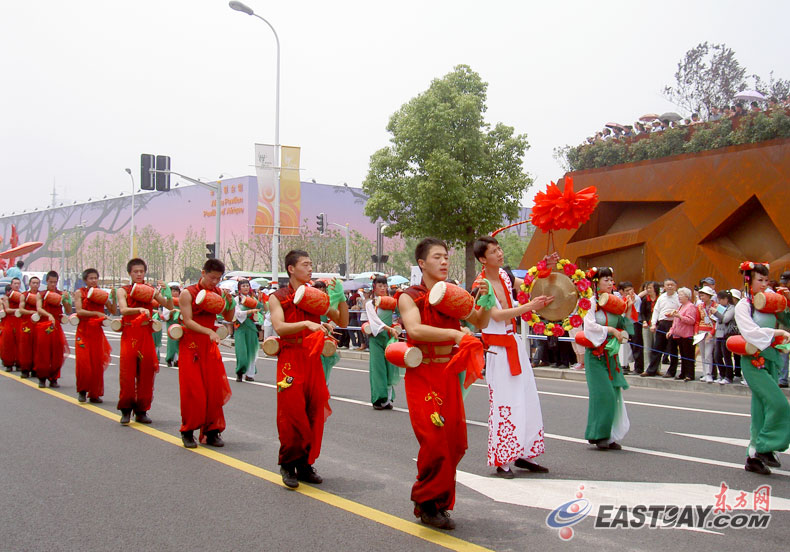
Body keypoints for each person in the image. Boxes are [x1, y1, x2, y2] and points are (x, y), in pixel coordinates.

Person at [397, 238, 491, 530]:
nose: (444, 261)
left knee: (455, 443)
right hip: (423, 372)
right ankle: (425, 501)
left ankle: (438, 500)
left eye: (446, 257)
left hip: (449, 374)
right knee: (435, 441)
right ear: (422, 263)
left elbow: (479, 321)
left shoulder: (452, 294)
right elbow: (414, 329)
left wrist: (486, 300)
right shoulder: (408, 296)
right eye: (437, 257)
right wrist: (453, 336)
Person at [268, 250, 349, 488]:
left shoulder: (316, 295)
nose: (310, 269)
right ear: (291, 269)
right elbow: (280, 327)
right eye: (305, 264)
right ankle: (287, 463)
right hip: (291, 357)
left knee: (314, 410)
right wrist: (305, 323)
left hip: (313, 358)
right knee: (291, 412)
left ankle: (304, 463)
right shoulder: (278, 297)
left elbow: (342, 322)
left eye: (311, 264)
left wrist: (340, 298)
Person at [474, 236, 552, 478]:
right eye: (494, 251)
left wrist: (544, 266)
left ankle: (523, 452)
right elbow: (496, 315)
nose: (500, 253)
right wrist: (531, 307)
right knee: (504, 404)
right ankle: (502, 460)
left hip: (514, 344)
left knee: (526, 398)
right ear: (482, 259)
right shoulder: (482, 284)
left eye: (500, 249)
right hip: (498, 349)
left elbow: (527, 283)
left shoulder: (506, 276)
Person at [733, 262, 790, 475]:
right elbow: (750, 332)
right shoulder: (743, 305)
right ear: (748, 281)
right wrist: (776, 334)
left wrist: (787, 301)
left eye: (767, 280)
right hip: (753, 361)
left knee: (760, 410)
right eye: (760, 280)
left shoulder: (769, 302)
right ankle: (766, 447)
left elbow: (787, 320)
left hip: (772, 359)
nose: (765, 284)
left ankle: (754, 455)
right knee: (779, 404)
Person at [177, 259, 234, 448]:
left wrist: (230, 302)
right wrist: (209, 331)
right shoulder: (188, 293)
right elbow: (188, 321)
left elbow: (228, 317)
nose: (214, 282)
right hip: (191, 344)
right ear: (203, 273)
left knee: (213, 389)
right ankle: (188, 430)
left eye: (218, 279)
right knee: (193, 390)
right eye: (212, 278)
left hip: (209, 345)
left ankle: (212, 431)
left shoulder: (217, 293)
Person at [578, 267, 632, 450]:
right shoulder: (590, 303)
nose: (610, 283)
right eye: (605, 280)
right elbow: (589, 326)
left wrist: (628, 310)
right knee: (603, 395)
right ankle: (598, 434)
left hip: (611, 354)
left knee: (614, 395)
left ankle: (608, 435)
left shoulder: (615, 302)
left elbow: (625, 327)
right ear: (596, 283)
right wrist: (610, 330)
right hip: (595, 355)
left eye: (611, 280)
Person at [115, 258, 173, 425]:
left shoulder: (150, 290)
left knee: (146, 373)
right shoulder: (123, 290)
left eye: (141, 271)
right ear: (130, 273)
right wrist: (138, 309)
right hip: (130, 334)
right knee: (127, 373)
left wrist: (167, 293)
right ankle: (126, 409)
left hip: (146, 335)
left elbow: (168, 306)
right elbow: (124, 309)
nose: (139, 274)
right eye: (135, 271)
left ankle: (142, 410)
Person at [73, 268, 115, 403]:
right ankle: (82, 391)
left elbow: (113, 310)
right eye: (91, 278)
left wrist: (112, 298)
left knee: (96, 363)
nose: (93, 281)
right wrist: (96, 314)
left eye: (95, 278)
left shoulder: (101, 294)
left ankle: (95, 393)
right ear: (85, 280)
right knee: (83, 362)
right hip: (83, 331)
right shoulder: (79, 293)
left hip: (97, 332)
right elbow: (79, 311)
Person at [366, 275, 402, 409]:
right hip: (376, 338)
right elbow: (375, 321)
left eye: (384, 286)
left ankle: (387, 399)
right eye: (380, 286)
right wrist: (389, 329)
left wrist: (397, 326)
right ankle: (378, 399)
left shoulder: (392, 302)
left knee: (390, 368)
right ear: (374, 287)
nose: (383, 288)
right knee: (378, 369)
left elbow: (400, 315)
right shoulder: (370, 304)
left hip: (390, 337)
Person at [33, 271, 72, 388]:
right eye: (51, 282)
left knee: (57, 353)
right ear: (46, 281)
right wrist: (48, 315)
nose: (53, 284)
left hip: (56, 327)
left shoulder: (60, 294)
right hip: (44, 325)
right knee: (43, 353)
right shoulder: (41, 294)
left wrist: (66, 300)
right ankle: (42, 378)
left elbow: (69, 310)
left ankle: (54, 378)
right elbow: (39, 308)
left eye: (55, 282)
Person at [646, 279, 680, 377]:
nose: (669, 287)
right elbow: (656, 311)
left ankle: (671, 371)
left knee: (672, 349)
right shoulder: (661, 297)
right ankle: (651, 370)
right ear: (664, 287)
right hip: (662, 323)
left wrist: (673, 314)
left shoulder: (678, 297)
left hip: (673, 323)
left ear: (675, 286)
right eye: (667, 285)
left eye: (672, 285)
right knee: (657, 347)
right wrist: (653, 324)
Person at [666, 287, 698, 382]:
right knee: (683, 355)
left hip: (687, 334)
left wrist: (680, 316)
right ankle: (683, 373)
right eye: (679, 295)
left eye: (681, 295)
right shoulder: (680, 307)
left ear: (687, 296)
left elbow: (691, 320)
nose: (679, 297)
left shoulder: (690, 306)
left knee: (688, 355)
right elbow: (675, 322)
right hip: (678, 334)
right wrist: (671, 331)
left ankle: (689, 374)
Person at [312, 280, 341, 383]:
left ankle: (325, 384)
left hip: (325, 336)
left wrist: (331, 326)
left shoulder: (328, 303)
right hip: (313, 336)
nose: (321, 292)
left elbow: (334, 319)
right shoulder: (310, 304)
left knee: (326, 362)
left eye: (323, 290)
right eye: (318, 290)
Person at [234, 279, 262, 382]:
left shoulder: (253, 299)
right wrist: (250, 311)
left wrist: (257, 312)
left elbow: (260, 311)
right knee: (241, 351)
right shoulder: (236, 300)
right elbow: (237, 314)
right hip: (240, 327)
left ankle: (250, 374)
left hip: (251, 327)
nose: (245, 288)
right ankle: (240, 372)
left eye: (247, 286)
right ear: (239, 288)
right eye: (243, 286)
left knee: (252, 351)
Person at [17, 276, 41, 378]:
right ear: (29, 284)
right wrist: (32, 312)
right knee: (25, 347)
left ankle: (35, 368)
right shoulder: (24, 295)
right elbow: (21, 309)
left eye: (37, 283)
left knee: (37, 346)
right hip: (27, 323)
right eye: (33, 283)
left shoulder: (41, 295)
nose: (35, 285)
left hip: (38, 324)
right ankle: (25, 369)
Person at [711, 290, 736, 385]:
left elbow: (725, 319)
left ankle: (729, 376)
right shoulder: (720, 307)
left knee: (727, 356)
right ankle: (722, 374)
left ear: (726, 299)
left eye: (721, 299)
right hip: (719, 333)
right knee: (717, 355)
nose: (719, 301)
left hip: (726, 334)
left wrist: (716, 313)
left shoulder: (731, 308)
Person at [696, 286, 717, 382]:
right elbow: (697, 320)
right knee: (703, 353)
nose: (702, 297)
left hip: (710, 331)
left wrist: (712, 333)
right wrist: (696, 332)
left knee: (708, 353)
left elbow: (717, 322)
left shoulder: (716, 306)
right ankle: (705, 373)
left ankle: (709, 374)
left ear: (709, 296)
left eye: (703, 295)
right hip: (701, 331)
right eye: (701, 295)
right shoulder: (699, 306)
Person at [1, 278, 23, 371]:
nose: (17, 285)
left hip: (20, 320)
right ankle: (8, 363)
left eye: (18, 284)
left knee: (20, 342)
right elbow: (7, 310)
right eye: (15, 284)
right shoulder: (6, 297)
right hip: (9, 320)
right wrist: (18, 310)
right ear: (11, 285)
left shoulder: (22, 296)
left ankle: (19, 362)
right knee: (8, 342)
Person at [162, 285, 181, 367]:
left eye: (177, 291)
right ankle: (169, 358)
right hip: (171, 323)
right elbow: (165, 315)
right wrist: (171, 312)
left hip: (180, 323)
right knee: (171, 342)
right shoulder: (168, 301)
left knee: (179, 342)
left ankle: (178, 359)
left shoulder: (181, 301)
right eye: (173, 291)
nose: (175, 293)